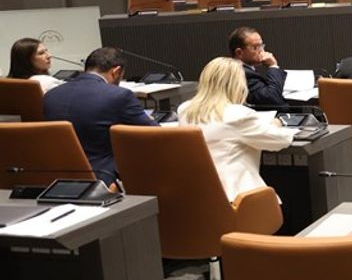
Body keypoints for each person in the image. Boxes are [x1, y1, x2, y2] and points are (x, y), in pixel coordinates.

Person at [179, 57, 295, 201]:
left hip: (197, 197)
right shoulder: (238, 114)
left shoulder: (185, 110)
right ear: (237, 84)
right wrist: (276, 124)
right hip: (239, 199)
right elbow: (280, 141)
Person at [42, 46, 157, 183]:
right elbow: (154, 134)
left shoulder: (51, 95)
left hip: (57, 177)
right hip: (103, 175)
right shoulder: (119, 95)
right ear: (116, 71)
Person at [229, 26, 286, 108]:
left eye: (261, 46)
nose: (262, 51)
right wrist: (273, 66)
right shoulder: (242, 73)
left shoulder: (246, 70)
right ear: (239, 53)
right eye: (256, 47)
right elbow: (271, 98)